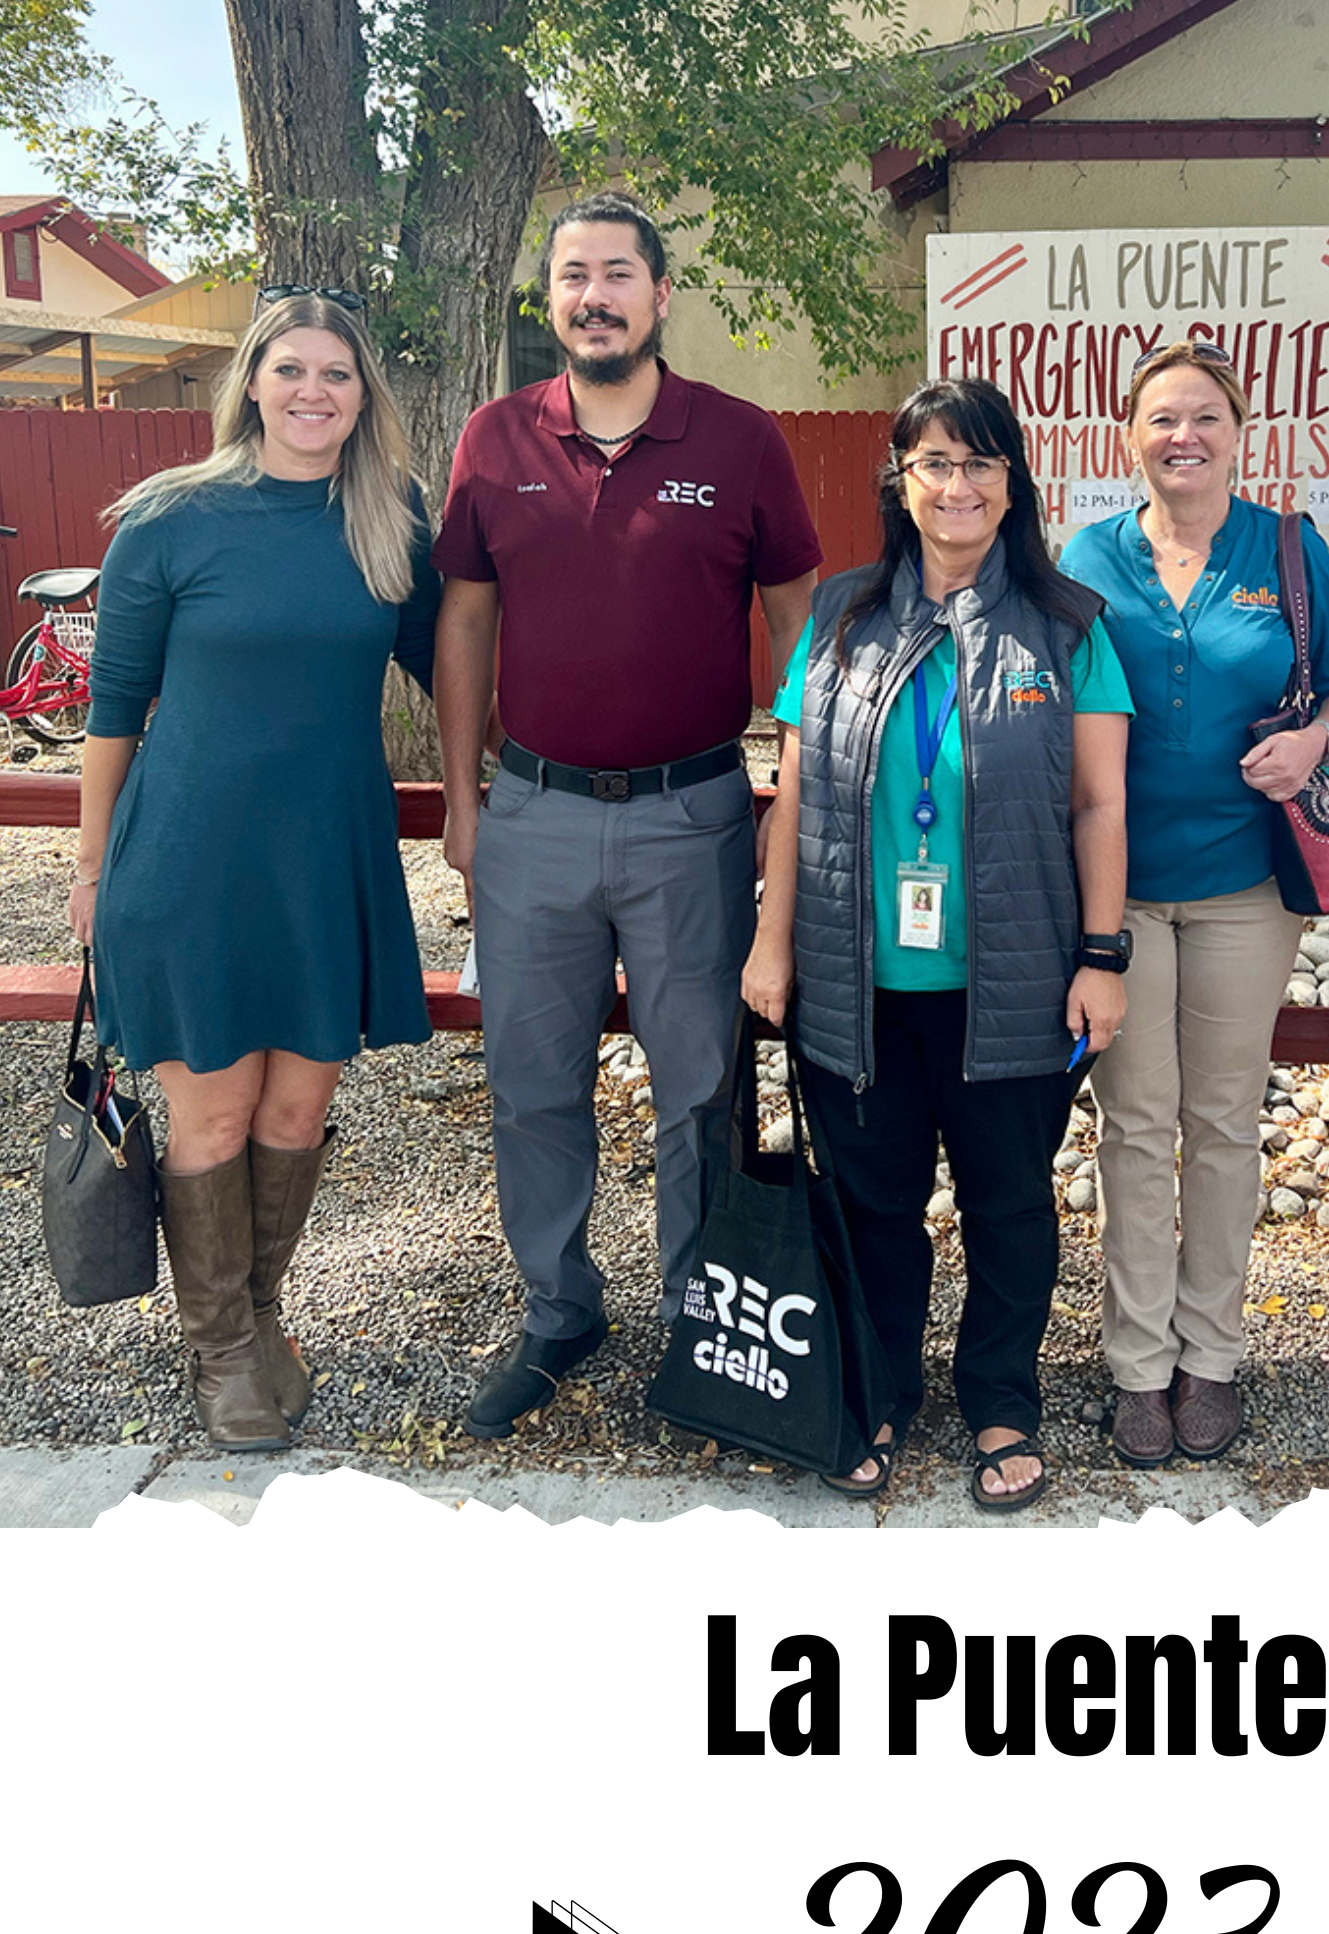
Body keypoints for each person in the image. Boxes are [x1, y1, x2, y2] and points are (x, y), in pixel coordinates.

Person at [432, 192, 821, 1440]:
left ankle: (706, 1323)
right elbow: (466, 624)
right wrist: (459, 797)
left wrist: (801, 789)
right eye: (571, 278)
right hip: (534, 813)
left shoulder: (743, 440)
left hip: (694, 812)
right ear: (551, 303)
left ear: (660, 297)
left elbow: (802, 633)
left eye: (616, 274)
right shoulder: (493, 439)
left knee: (698, 1083)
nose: (592, 296)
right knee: (530, 1082)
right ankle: (559, 1310)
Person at [742, 378, 1132, 1511]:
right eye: (934, 463)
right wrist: (773, 948)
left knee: (1009, 1203)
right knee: (874, 1202)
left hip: (1007, 984)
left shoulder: (1067, 627)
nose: (957, 486)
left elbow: (1100, 807)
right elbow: (797, 793)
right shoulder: (843, 614)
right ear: (900, 482)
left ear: (1013, 484)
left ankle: (1002, 1402)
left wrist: (1101, 958)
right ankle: (877, 1389)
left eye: (981, 464)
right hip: (861, 985)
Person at [68, 290, 440, 1451]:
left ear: (363, 391)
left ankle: (262, 1313)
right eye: (292, 370)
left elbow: (465, 666)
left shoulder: (390, 520)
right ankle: (219, 1349)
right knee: (214, 1114)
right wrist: (89, 871)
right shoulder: (170, 521)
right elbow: (112, 712)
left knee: (297, 1103)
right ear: (252, 381)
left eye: (337, 372)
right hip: (189, 860)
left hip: (326, 858)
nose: (314, 391)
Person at [1058, 342, 1329, 1466]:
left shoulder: (1285, 548)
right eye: (1159, 420)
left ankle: (1212, 1358)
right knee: (1135, 1128)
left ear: (1241, 433)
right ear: (1126, 438)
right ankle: (1138, 1365)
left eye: (1204, 418)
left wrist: (1315, 739)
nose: (1182, 436)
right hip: (1119, 892)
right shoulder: (1090, 555)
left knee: (1225, 1125)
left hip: (1247, 888)